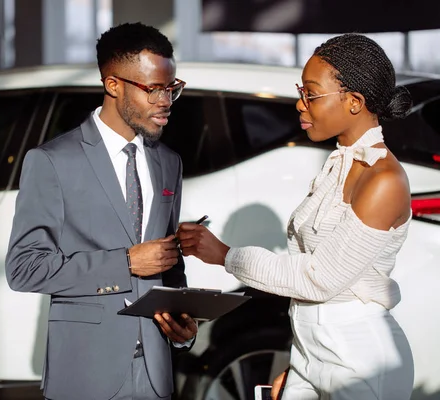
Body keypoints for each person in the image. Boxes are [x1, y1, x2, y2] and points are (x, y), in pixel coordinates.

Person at [176, 33, 415, 400]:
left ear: (354, 101)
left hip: (361, 360)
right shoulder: (337, 165)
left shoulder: (383, 179)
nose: (300, 104)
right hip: (311, 351)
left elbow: (319, 280)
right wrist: (302, 361)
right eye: (300, 91)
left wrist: (226, 255)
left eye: (311, 94)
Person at [6, 22, 197, 400]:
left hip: (156, 374)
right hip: (85, 371)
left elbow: (169, 266)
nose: (165, 101)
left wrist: (182, 328)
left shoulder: (168, 162)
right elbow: (24, 268)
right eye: (153, 89)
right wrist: (124, 262)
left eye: (172, 88)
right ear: (113, 85)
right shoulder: (52, 161)